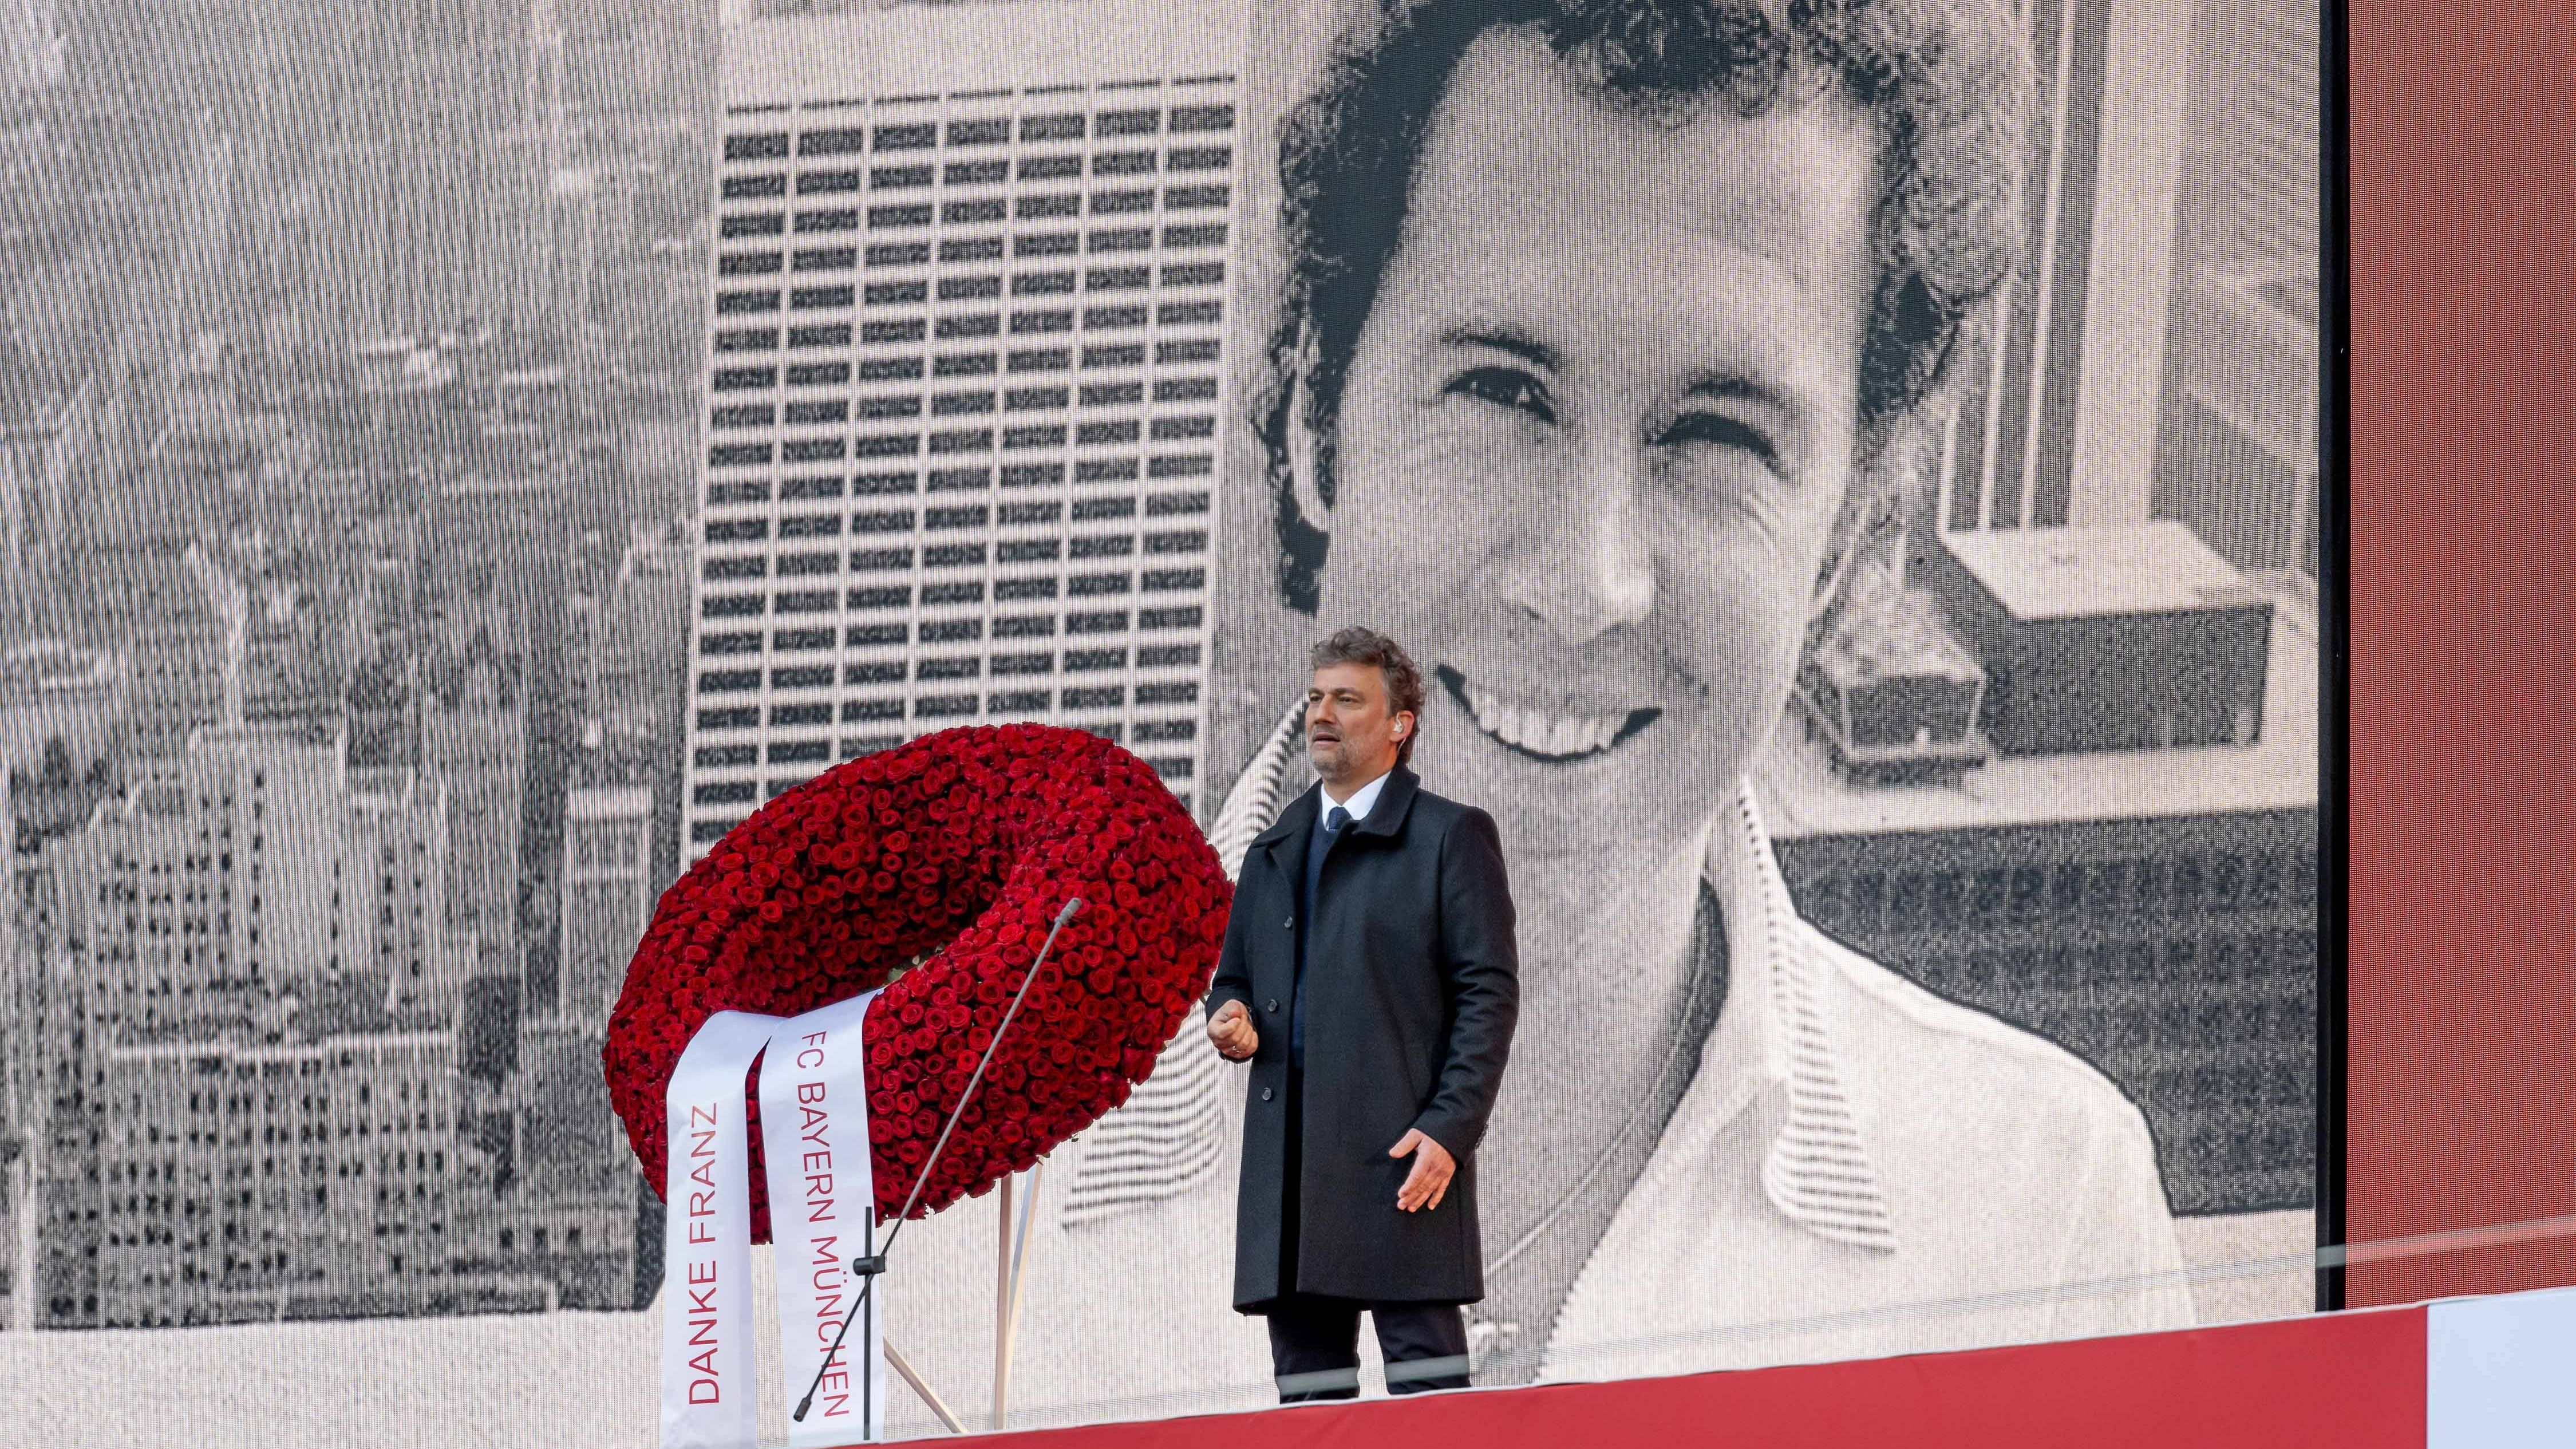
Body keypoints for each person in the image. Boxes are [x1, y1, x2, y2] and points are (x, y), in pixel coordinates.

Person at [1204, 626, 1520, 1401]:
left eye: (1347, 699)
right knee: (1311, 1414)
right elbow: (1234, 979)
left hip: (1402, 1159)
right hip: (1291, 1171)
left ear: (1399, 724)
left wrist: (1450, 1129)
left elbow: (1490, 992)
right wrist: (1230, 1018)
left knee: (1430, 1408)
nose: (1323, 714)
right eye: (1316, 698)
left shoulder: (1450, 835)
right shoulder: (1272, 848)